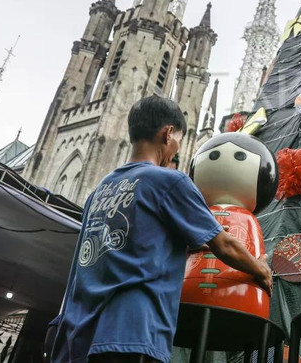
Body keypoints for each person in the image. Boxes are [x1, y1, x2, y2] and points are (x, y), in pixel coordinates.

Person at [51, 95, 273, 363]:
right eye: (178, 140)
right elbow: (223, 244)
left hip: (77, 336)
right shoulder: (169, 181)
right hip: (133, 334)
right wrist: (260, 268)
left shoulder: (99, 192)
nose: (176, 150)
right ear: (168, 134)